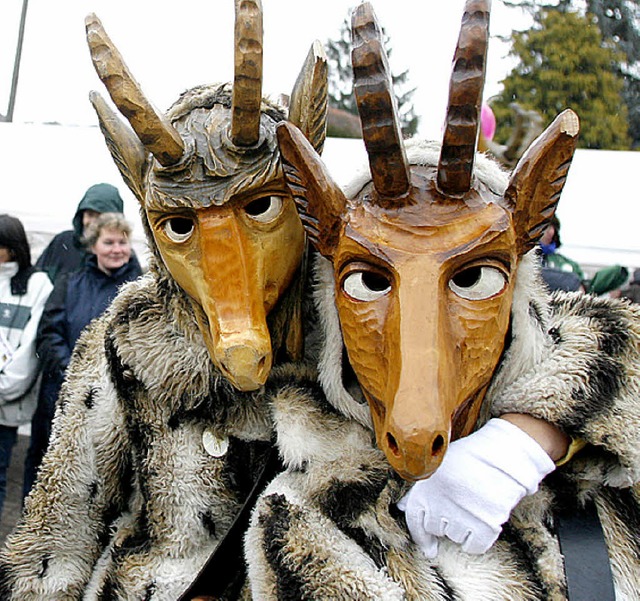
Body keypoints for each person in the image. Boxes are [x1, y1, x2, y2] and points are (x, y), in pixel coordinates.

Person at [22, 213, 142, 496]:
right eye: (108, 242)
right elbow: (50, 333)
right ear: (93, 246)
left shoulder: (140, 291)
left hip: (113, 402)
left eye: (122, 242)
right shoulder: (69, 283)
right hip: (60, 395)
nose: (116, 249)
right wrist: (73, 374)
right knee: (46, 467)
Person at [0, 215, 52, 520]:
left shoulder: (37, 285)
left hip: (6, 409)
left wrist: (4, 388)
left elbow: (30, 350)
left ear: (14, 248)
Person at [35, 183, 137, 283]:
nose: (93, 222)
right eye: (90, 214)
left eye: (100, 216)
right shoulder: (62, 242)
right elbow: (37, 278)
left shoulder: (123, 257)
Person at [538, 215, 584, 292]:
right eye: (547, 226)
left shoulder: (570, 264)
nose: (551, 232)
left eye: (553, 227)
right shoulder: (523, 260)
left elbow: (585, 286)